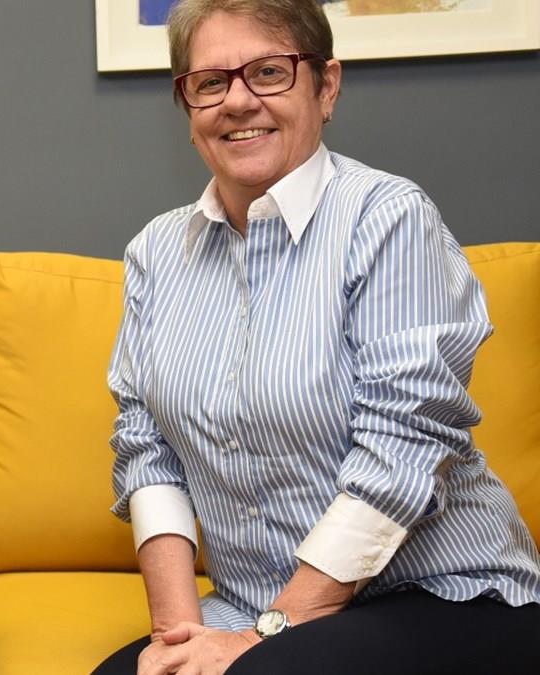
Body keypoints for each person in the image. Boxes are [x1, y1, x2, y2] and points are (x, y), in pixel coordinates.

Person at [94, 1, 540, 673]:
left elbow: (402, 448)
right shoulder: (157, 252)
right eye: (210, 83)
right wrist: (179, 638)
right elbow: (145, 448)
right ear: (188, 108)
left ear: (325, 87)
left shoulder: (388, 220)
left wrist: (262, 637)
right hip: (251, 604)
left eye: (269, 72)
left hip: (442, 591)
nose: (237, 101)